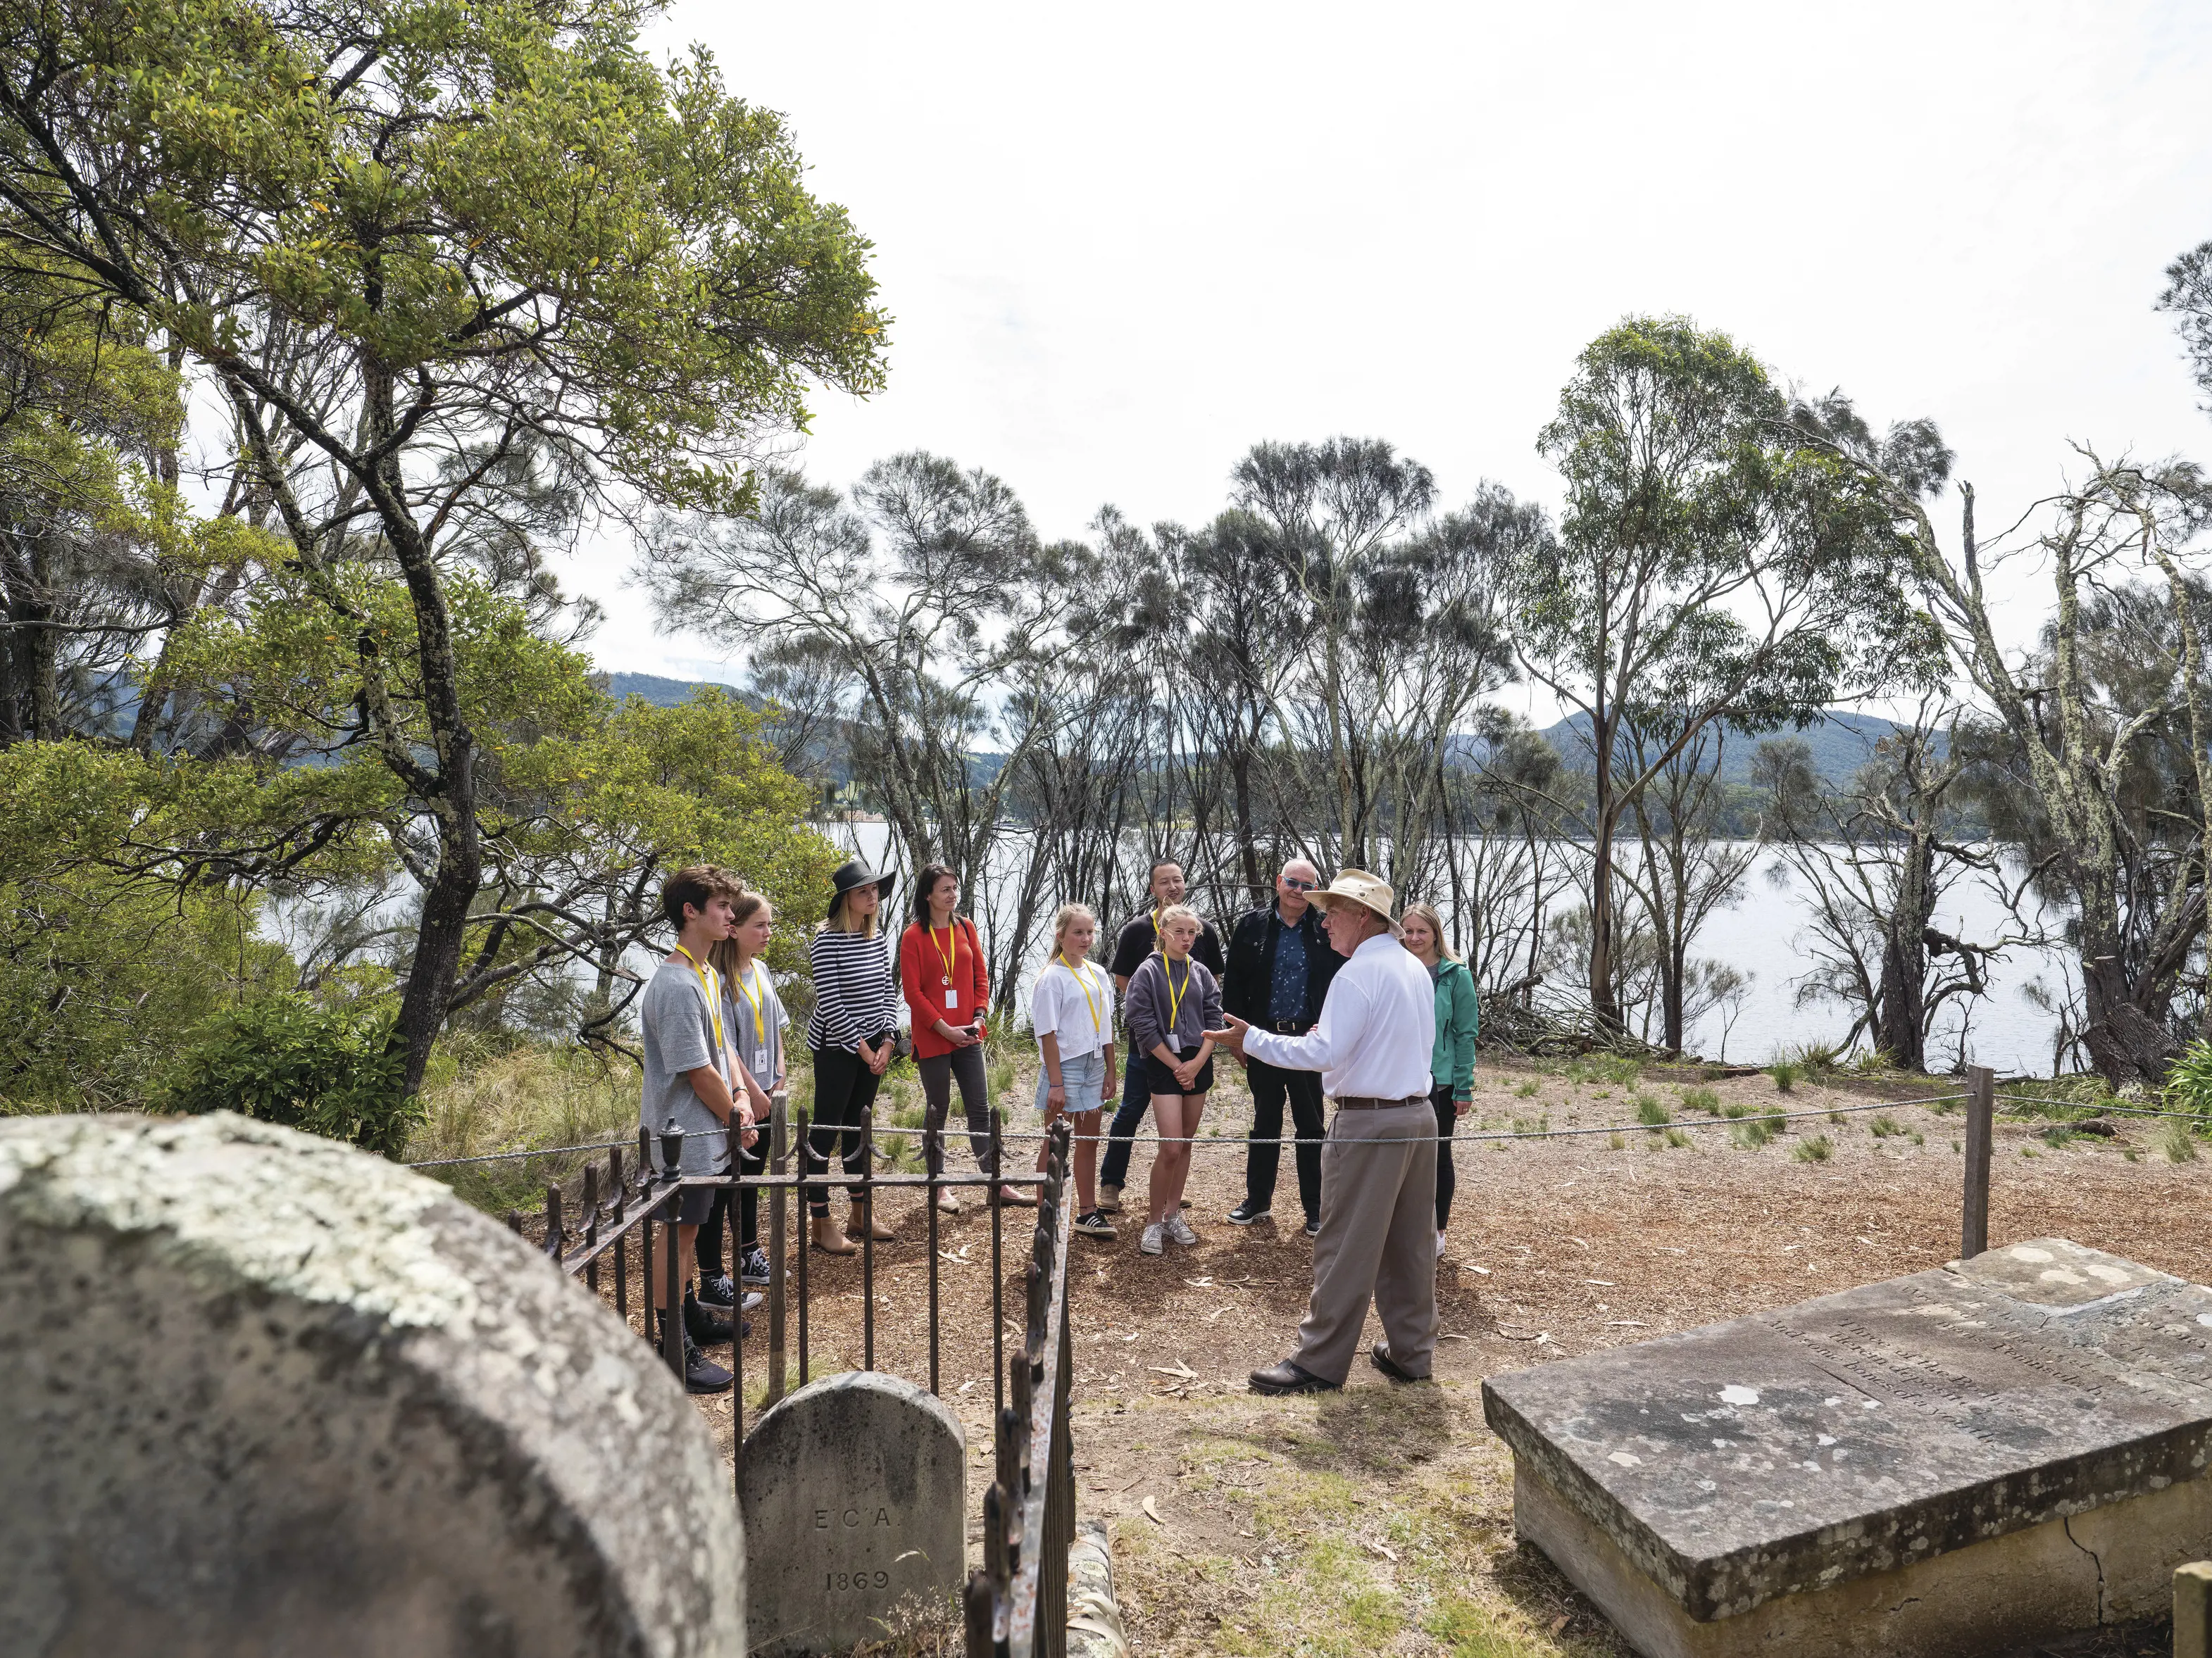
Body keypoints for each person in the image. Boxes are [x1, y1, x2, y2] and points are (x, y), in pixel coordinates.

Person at [1207, 869, 1438, 1395]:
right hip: (1416, 1116)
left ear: (1363, 917)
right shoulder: (1410, 967)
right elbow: (1385, 1041)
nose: (1324, 919)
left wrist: (1252, 1039)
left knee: (1344, 1245)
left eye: (1333, 909)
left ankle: (1318, 1361)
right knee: (1410, 1245)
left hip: (1370, 1121)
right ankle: (1411, 1351)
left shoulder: (1356, 974)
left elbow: (1322, 1053)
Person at [639, 864, 760, 1395]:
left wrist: (740, 1097)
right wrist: (735, 1119)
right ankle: (671, 1345)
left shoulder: (706, 975)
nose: (731, 914)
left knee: (691, 1231)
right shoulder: (675, 983)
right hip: (679, 1137)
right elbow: (693, 1068)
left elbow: (723, 1050)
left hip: (703, 1130)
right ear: (690, 911)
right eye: (720, 906)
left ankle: (688, 1315)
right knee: (680, 1233)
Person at [1220, 858, 1342, 1236]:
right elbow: (1234, 984)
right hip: (1264, 1039)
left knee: (1311, 1125)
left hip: (1309, 1039)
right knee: (1265, 1123)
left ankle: (1317, 1209)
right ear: (1278, 882)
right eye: (1292, 882)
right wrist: (1238, 1040)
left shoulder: (1324, 928)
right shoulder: (1252, 925)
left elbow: (1341, 981)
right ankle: (1257, 1201)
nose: (1298, 891)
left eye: (1307, 886)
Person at [1098, 859, 1225, 1214]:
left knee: (1181, 1137)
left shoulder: (1204, 931)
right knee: (1130, 1110)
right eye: (1164, 882)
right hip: (1149, 1046)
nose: (1172, 887)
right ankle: (1111, 1183)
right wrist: (1154, 1009)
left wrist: (1195, 1053)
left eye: (1178, 880)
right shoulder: (1137, 930)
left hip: (1192, 1047)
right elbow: (1123, 980)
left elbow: (1213, 984)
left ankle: (1169, 1196)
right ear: (1152, 889)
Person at [901, 863, 1030, 1212]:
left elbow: (980, 977)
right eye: (945, 889)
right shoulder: (914, 936)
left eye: (955, 888)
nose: (952, 894)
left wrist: (978, 1015)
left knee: (979, 1108)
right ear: (928, 894)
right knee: (937, 1110)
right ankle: (938, 1185)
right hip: (934, 1037)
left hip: (970, 1034)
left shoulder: (966, 927)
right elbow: (912, 992)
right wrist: (944, 1028)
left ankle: (995, 1182)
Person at [697, 891, 787, 1309]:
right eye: (760, 925)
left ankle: (749, 1253)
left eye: (769, 924)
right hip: (741, 1098)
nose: (768, 933)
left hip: (767, 1092)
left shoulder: (763, 969)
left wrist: (779, 1077)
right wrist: (751, 1092)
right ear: (736, 932)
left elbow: (778, 1026)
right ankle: (712, 1275)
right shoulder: (719, 978)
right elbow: (726, 1047)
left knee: (752, 1179)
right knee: (723, 1185)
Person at [806, 859, 901, 1256]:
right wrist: (863, 1049)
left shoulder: (876, 937)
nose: (873, 896)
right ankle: (821, 1222)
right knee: (826, 1131)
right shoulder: (826, 941)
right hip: (837, 1049)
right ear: (847, 898)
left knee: (859, 1126)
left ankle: (860, 1213)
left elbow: (887, 991)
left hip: (874, 1047)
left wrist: (889, 1040)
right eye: (864, 891)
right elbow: (831, 1003)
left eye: (876, 890)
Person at [1122, 904, 1223, 1256]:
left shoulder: (1202, 973)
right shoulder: (1147, 971)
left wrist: (1195, 1064)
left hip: (1197, 1061)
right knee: (1171, 1146)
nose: (1186, 939)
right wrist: (1175, 1064)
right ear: (1162, 933)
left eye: (1192, 933)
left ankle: (1173, 1214)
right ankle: (1152, 1221)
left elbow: (1215, 1019)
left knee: (1187, 1142)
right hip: (1164, 1062)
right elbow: (1141, 1023)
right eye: (1179, 932)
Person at [1030, 903, 1118, 1240]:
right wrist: (1056, 1083)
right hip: (1064, 1065)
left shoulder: (1098, 972)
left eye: (1090, 932)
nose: (1085, 939)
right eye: (1078, 932)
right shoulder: (1051, 977)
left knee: (1089, 1141)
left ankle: (1087, 1212)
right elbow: (1047, 1033)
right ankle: (1046, 1216)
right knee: (1056, 1143)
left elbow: (1107, 1026)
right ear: (1061, 935)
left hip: (1095, 1063)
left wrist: (1111, 1070)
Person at [1401, 902, 1477, 1261]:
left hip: (1440, 1082)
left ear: (1436, 934)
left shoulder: (1455, 975)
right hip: (1398, 1077)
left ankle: (1437, 1230)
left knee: (1436, 1156)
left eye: (1422, 931)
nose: (1415, 938)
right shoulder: (1393, 969)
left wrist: (1464, 1086)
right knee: (1398, 1157)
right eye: (1409, 931)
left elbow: (1465, 1034)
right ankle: (1402, 1228)